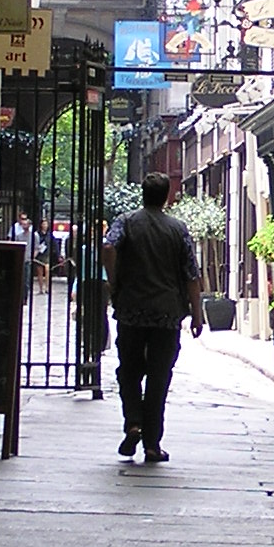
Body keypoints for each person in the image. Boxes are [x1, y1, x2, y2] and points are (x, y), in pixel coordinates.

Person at [102, 174, 203, 462]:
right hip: (167, 314)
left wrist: (115, 281)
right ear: (167, 196)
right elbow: (191, 276)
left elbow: (108, 247)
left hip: (132, 309)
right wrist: (197, 315)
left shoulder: (126, 221)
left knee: (129, 371)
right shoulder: (177, 229)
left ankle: (133, 422)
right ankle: (151, 444)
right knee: (159, 378)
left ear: (142, 194)